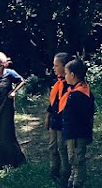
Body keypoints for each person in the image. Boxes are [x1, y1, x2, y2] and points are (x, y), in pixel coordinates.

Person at [59, 58, 95, 188]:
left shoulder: (79, 95)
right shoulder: (77, 91)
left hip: (76, 134)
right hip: (73, 133)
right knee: (73, 160)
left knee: (77, 161)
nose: (65, 76)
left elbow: (84, 117)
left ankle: (77, 184)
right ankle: (71, 183)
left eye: (66, 73)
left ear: (72, 75)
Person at [44, 52, 72, 181]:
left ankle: (66, 174)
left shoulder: (70, 85)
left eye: (56, 66)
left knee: (63, 148)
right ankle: (54, 171)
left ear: (65, 67)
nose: (54, 68)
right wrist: (48, 116)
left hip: (63, 123)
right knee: (52, 147)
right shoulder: (57, 83)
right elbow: (53, 102)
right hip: (54, 122)